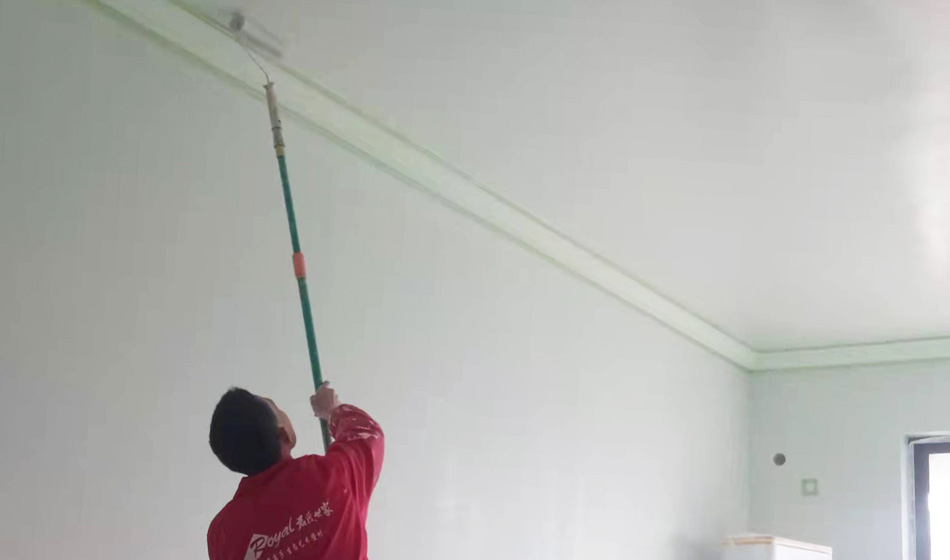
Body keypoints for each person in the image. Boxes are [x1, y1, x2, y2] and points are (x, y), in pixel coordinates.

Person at [207, 382, 384, 560]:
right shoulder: (329, 476)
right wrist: (332, 410)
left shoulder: (222, 535)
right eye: (276, 407)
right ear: (285, 435)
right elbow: (368, 435)